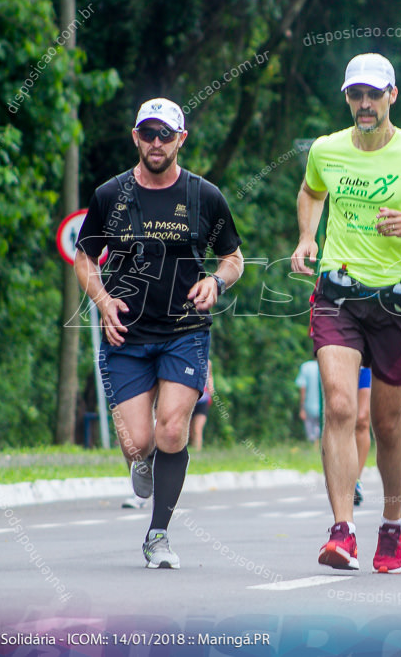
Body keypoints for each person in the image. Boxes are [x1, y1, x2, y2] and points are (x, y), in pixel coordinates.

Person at [290, 53, 401, 573]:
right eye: (354, 95)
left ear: (393, 95)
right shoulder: (327, 149)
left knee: (388, 424)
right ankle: (341, 531)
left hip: (397, 300)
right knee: (341, 406)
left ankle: (392, 524)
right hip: (338, 294)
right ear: (346, 97)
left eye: (373, 94)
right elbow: (310, 190)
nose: (364, 104)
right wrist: (306, 237)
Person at [75, 98, 243, 569]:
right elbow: (85, 258)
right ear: (135, 137)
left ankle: (158, 533)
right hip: (126, 335)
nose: (155, 143)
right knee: (137, 443)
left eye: (164, 135)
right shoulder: (111, 195)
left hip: (184, 330)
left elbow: (234, 257)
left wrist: (216, 280)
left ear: (180, 140)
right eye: (147, 133)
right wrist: (104, 301)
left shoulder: (204, 196)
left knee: (172, 428)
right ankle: (141, 462)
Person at [354, 367, 372, 506]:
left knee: (362, 419)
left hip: (366, 365)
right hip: (342, 361)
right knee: (343, 419)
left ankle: (355, 480)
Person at [296, 359, 322, 451]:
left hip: (309, 405)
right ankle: (317, 448)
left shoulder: (306, 367)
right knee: (320, 429)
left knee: (311, 431)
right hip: (324, 406)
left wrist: (302, 407)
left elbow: (303, 388)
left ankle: (315, 448)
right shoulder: (328, 366)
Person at [188, 360, 214, 451]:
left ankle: (198, 451)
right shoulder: (188, 359)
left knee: (197, 428)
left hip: (203, 400)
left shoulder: (208, 363)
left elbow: (209, 376)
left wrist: (211, 385)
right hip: (189, 400)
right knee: (190, 431)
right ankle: (190, 452)